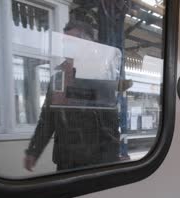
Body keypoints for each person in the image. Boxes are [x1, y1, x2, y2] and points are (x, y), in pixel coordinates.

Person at [24, 19, 120, 171]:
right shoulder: (59, 76)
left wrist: (110, 166)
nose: (65, 48)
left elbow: (110, 124)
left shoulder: (100, 76)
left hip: (93, 163)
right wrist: (33, 151)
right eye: (64, 43)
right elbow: (47, 118)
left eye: (71, 43)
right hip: (65, 161)